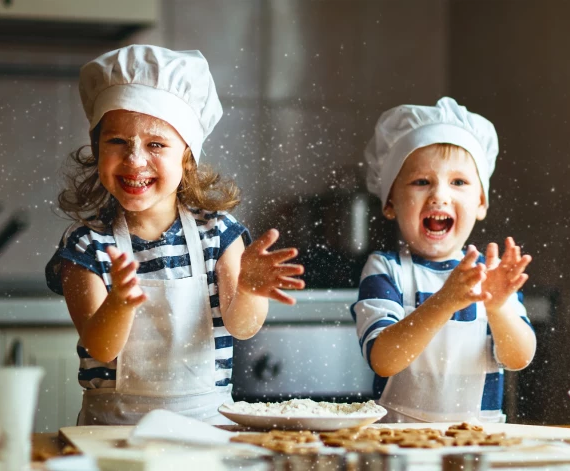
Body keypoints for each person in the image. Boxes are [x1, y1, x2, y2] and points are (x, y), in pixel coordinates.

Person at [45, 45, 305, 425]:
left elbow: (242, 328)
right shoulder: (86, 246)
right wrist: (119, 302)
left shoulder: (219, 233)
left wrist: (248, 289)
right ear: (96, 149)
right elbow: (101, 347)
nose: (134, 160)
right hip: (113, 433)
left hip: (208, 429)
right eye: (117, 141)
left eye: (156, 144)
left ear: (187, 156)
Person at [352, 97, 536, 423]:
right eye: (421, 181)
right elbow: (383, 358)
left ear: (481, 202)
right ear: (390, 201)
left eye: (459, 182)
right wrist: (444, 302)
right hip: (397, 445)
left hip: (478, 447)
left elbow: (519, 357)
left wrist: (497, 308)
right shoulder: (385, 269)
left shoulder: (490, 277)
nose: (439, 195)